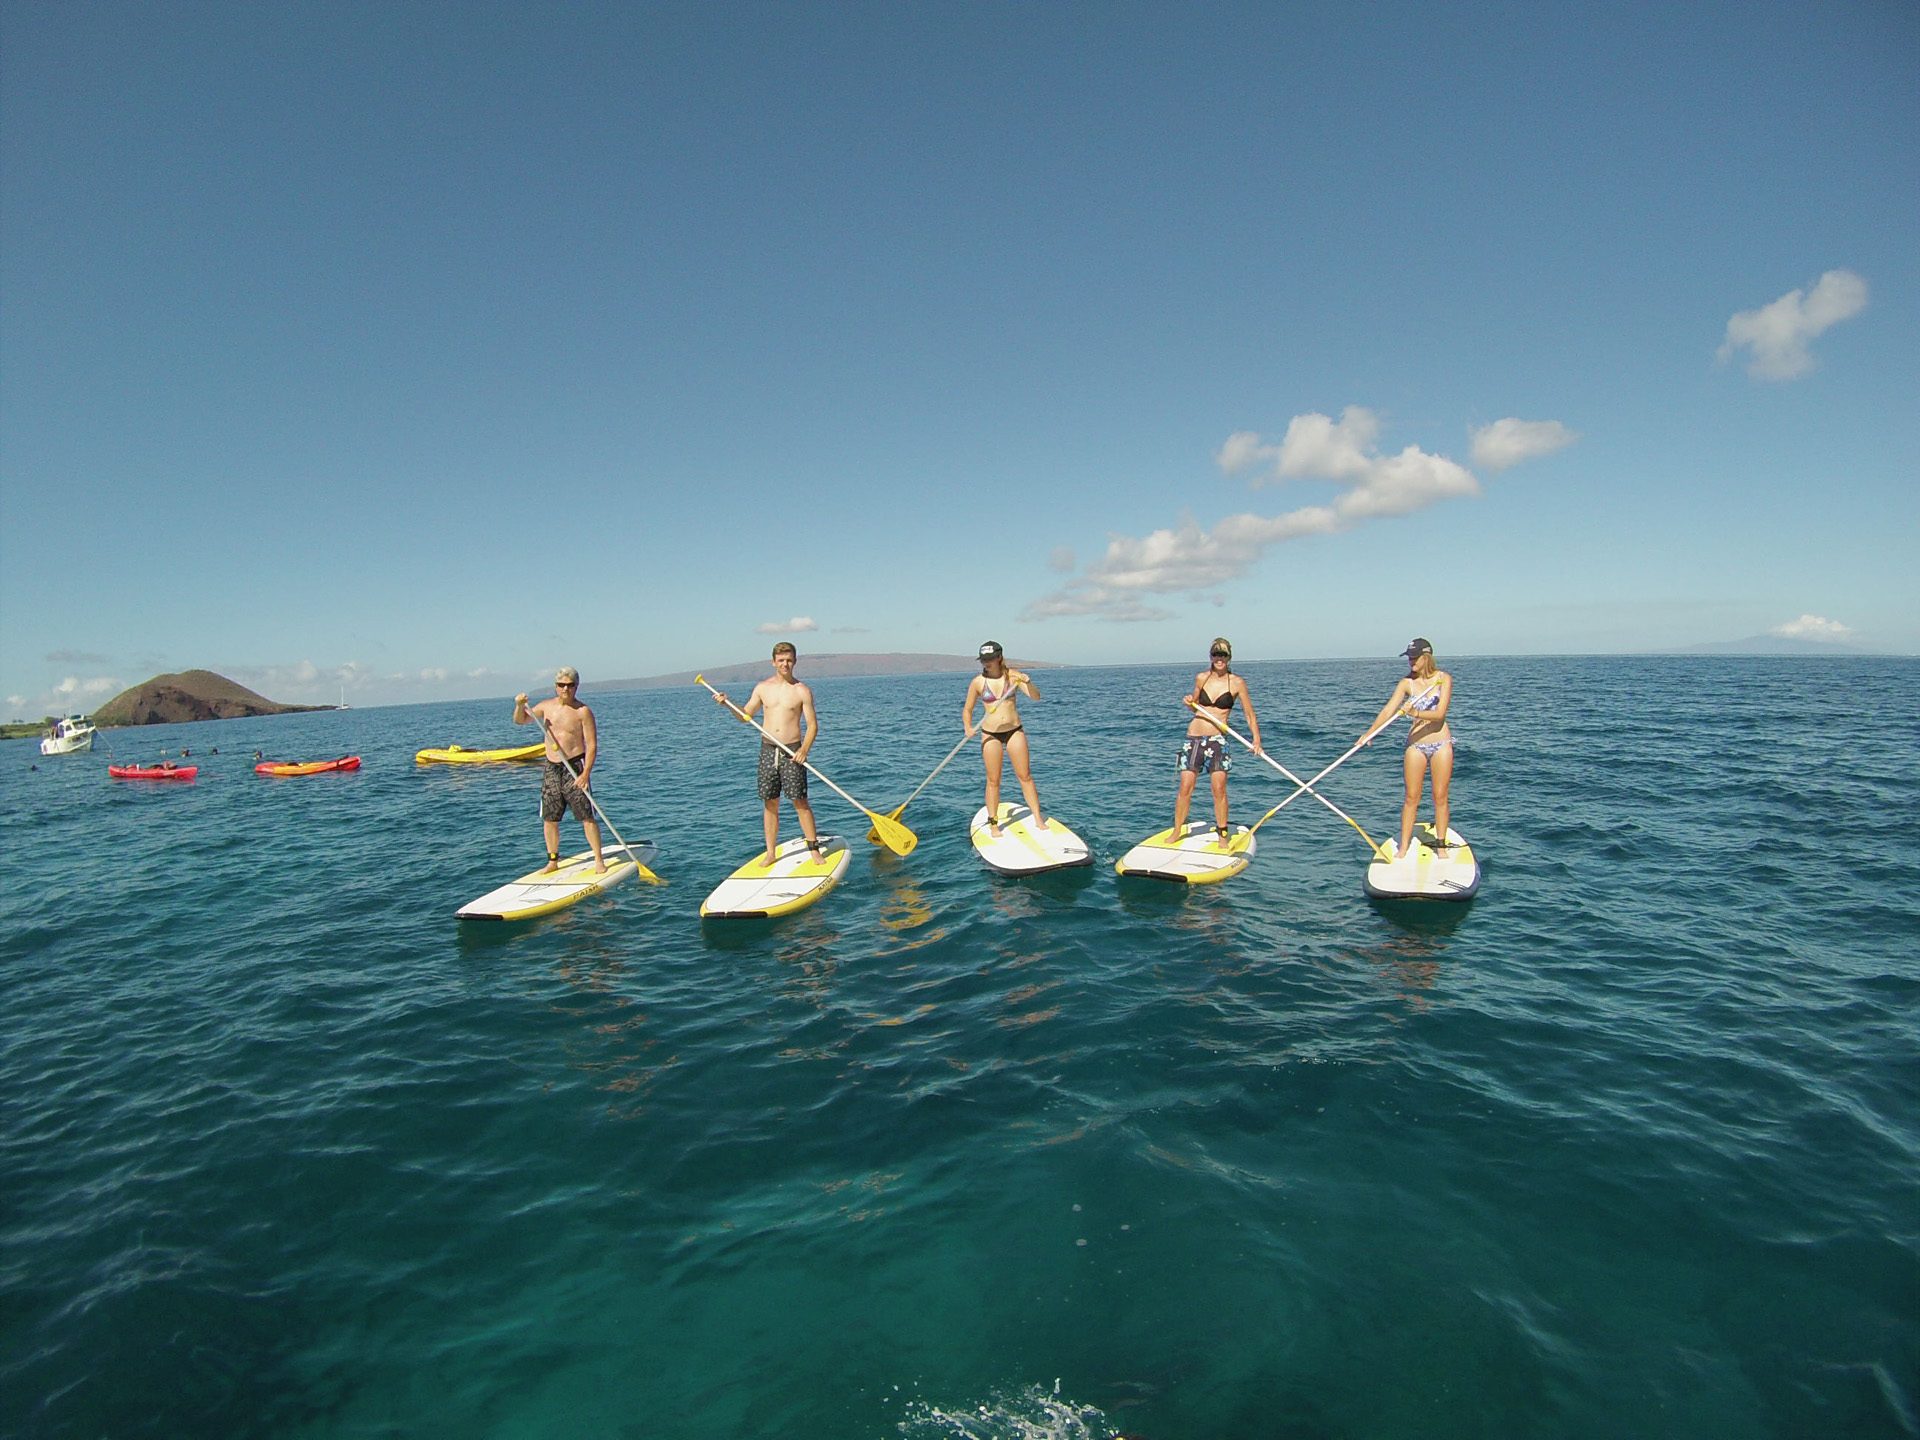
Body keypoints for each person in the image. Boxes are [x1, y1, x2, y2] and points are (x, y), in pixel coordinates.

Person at [711, 642, 821, 865]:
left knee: (800, 801)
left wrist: (803, 750)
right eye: (781, 660)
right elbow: (745, 716)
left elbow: (812, 725)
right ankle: (771, 853)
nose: (785, 664)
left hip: (792, 751)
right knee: (770, 803)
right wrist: (728, 705)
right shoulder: (762, 688)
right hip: (768, 750)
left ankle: (814, 849)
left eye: (789, 660)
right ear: (773, 662)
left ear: (795, 661)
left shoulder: (802, 691)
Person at [1360, 637, 1455, 856]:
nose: (1411, 661)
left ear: (1426, 657)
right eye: (1409, 657)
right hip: (1416, 746)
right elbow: (1388, 711)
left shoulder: (1443, 679)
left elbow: (1440, 714)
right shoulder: (1406, 683)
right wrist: (1370, 733)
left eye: (1414, 657)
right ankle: (1403, 846)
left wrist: (1415, 713)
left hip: (1441, 743)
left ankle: (1440, 846)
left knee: (1440, 796)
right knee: (1411, 796)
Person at [513, 666, 605, 872]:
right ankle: (553, 861)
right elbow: (520, 720)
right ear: (556, 687)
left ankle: (599, 859)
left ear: (576, 687)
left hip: (575, 767)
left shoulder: (583, 712)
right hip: (552, 768)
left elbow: (592, 745)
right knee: (550, 817)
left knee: (586, 816)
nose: (566, 689)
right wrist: (519, 705)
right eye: (562, 685)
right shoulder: (545, 707)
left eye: (570, 685)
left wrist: (585, 774)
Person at [1175, 637, 1262, 839]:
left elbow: (1250, 714)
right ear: (1211, 656)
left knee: (1219, 789)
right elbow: (1193, 704)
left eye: (1223, 655)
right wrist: (1188, 701)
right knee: (1185, 787)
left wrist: (1256, 739)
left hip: (1217, 740)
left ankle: (1223, 834)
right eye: (1216, 654)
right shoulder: (1201, 678)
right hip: (1194, 738)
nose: (1219, 658)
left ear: (1229, 657)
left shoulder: (1237, 683)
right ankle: (1178, 830)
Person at [962, 640, 1049, 836]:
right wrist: (967, 727)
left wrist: (1028, 682)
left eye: (990, 659)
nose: (986, 663)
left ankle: (1038, 818)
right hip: (990, 734)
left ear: (1000, 657)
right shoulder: (978, 682)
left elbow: (1036, 697)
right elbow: (967, 710)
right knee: (993, 780)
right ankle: (994, 823)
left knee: (1025, 776)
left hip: (1014, 731)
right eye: (983, 660)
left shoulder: (1014, 677)